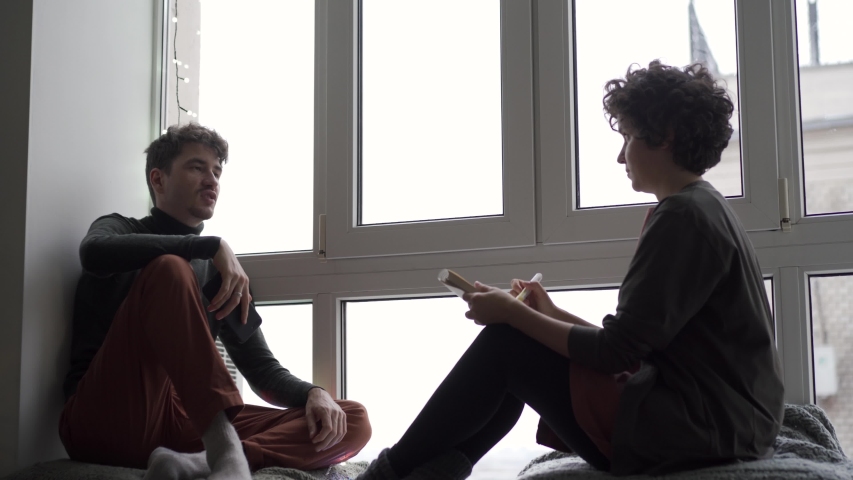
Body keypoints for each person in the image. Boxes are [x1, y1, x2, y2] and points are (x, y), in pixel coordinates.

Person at [356, 61, 784, 479]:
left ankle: (389, 472)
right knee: (514, 342)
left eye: (629, 137)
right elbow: (634, 344)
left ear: (665, 137)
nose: (621, 156)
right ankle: (425, 470)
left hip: (704, 432)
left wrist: (514, 314)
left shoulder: (683, 218)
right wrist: (546, 312)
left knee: (505, 344)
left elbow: (616, 352)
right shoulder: (703, 207)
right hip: (726, 423)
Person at [59, 123, 371, 480]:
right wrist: (208, 246)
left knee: (349, 419)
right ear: (158, 180)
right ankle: (225, 455)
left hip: (178, 428)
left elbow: (261, 370)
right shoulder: (120, 230)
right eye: (197, 167)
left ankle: (202, 462)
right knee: (170, 270)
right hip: (102, 417)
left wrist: (314, 393)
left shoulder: (219, 275)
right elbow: (92, 252)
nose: (212, 180)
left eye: (217, 171)